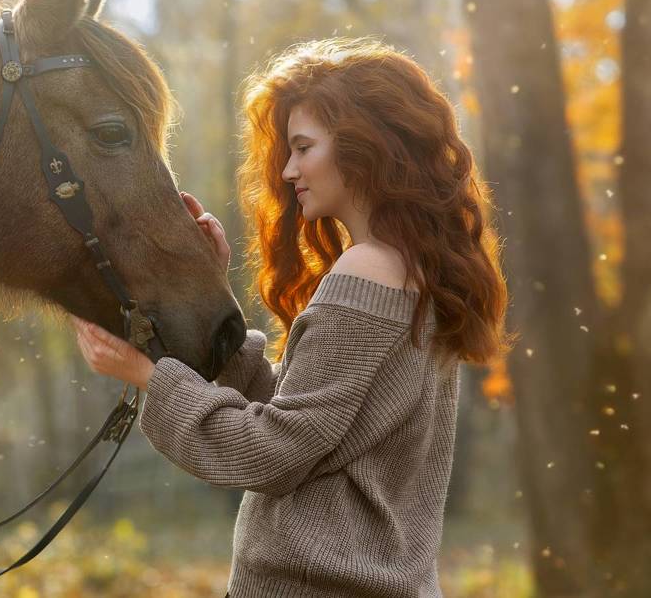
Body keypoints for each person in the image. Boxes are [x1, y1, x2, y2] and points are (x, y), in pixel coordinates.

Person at [70, 37, 514, 597]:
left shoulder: (366, 270)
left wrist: (147, 376)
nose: (286, 170)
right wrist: (215, 287)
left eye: (304, 147)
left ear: (362, 146)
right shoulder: (414, 271)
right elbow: (312, 425)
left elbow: (270, 452)